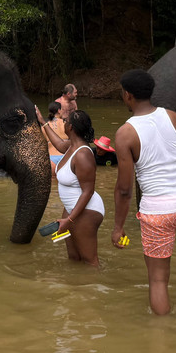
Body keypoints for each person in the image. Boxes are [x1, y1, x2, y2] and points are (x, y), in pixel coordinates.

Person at [112, 69, 176, 316]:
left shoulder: (125, 133)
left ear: (128, 95)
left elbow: (124, 189)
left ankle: (163, 333)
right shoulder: (174, 118)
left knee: (157, 279)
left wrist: (118, 227)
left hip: (158, 211)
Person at [41, 109, 104, 266]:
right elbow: (58, 144)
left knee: (90, 262)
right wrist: (43, 122)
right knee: (74, 258)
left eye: (66, 121)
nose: (63, 123)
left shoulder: (82, 155)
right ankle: (74, 282)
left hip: (86, 211)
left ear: (71, 128)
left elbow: (88, 191)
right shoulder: (71, 146)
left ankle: (95, 282)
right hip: (71, 210)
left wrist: (70, 219)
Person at [42, 101, 67, 178]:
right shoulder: (66, 124)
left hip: (51, 159)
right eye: (62, 109)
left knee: (52, 183)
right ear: (59, 110)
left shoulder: (44, 126)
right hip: (65, 157)